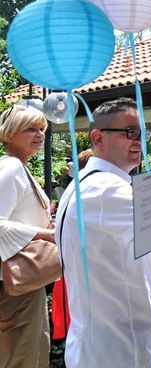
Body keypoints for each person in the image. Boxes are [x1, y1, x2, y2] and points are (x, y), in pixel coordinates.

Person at [55, 97, 151, 368]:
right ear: (98, 138)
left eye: (142, 133)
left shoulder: (86, 183)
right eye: (129, 133)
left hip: (101, 342)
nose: (138, 141)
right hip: (115, 349)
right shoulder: (106, 189)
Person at [0, 104, 54, 368]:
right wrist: (48, 235)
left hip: (22, 278)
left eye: (42, 129)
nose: (39, 135)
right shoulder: (11, 167)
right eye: (30, 128)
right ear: (9, 133)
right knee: (25, 356)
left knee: (28, 352)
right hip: (15, 281)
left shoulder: (17, 167)